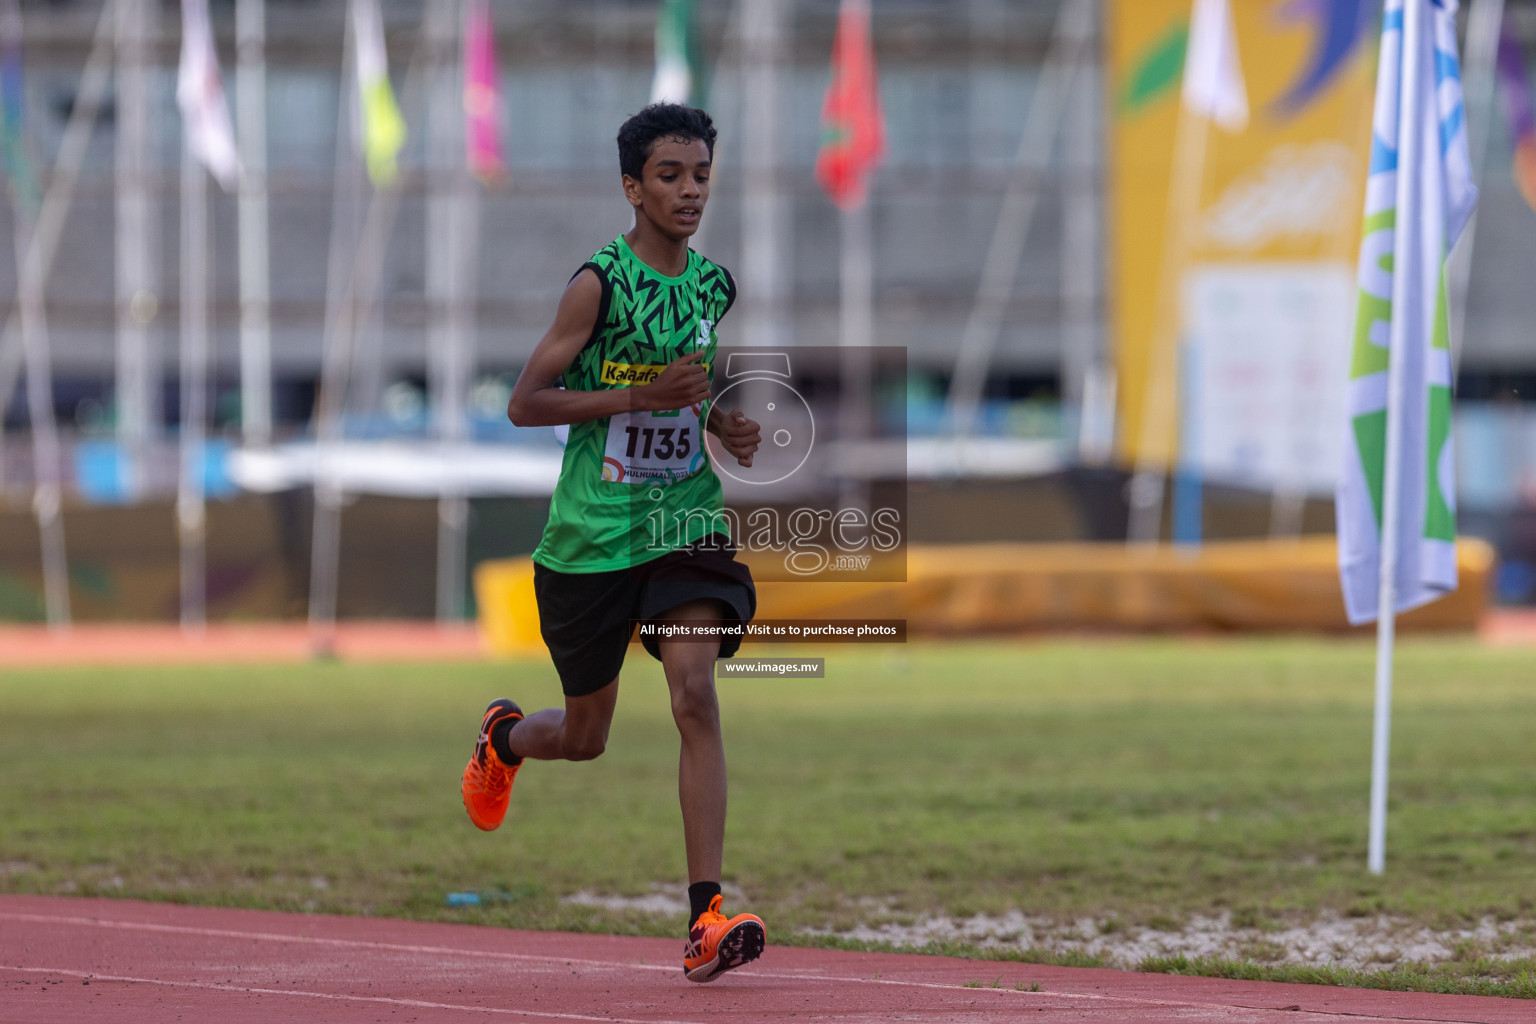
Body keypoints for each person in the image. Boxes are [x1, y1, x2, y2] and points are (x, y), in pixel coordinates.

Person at [460, 103, 766, 984]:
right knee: (587, 736)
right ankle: (505, 739)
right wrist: (641, 399)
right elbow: (526, 403)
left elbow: (688, 387)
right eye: (670, 176)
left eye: (701, 174)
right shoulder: (596, 284)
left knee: (694, 691)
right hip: (591, 536)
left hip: (683, 522)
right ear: (632, 186)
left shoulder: (713, 286)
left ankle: (706, 915)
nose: (690, 190)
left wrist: (721, 422)